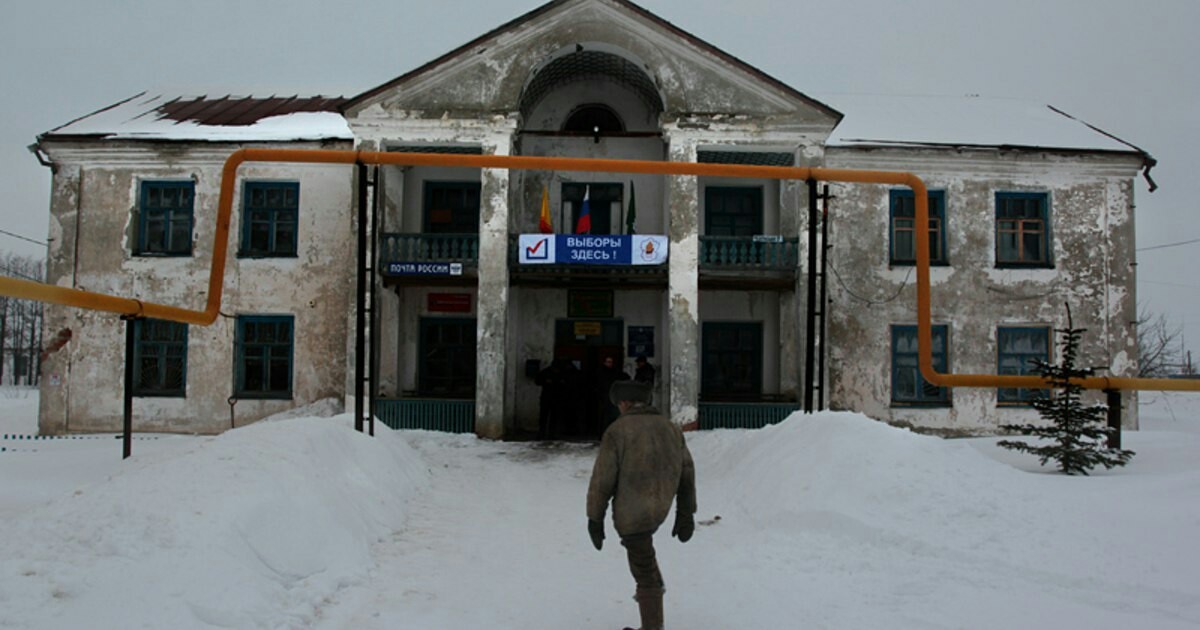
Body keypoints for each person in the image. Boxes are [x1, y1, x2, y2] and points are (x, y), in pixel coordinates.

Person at [587, 380, 696, 630]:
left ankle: (652, 624)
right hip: (659, 507)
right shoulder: (670, 428)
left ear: (624, 403)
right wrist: (685, 513)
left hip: (632, 514)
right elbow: (687, 473)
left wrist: (595, 518)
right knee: (644, 554)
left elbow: (603, 479)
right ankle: (655, 593)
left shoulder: (618, 431)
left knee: (642, 567)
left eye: (618, 405)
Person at [595, 355, 630, 434]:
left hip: (613, 397)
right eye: (608, 362)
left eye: (611, 362)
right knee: (604, 416)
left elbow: (624, 377)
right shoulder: (601, 372)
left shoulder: (614, 372)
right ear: (604, 363)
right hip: (604, 397)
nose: (610, 364)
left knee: (612, 416)